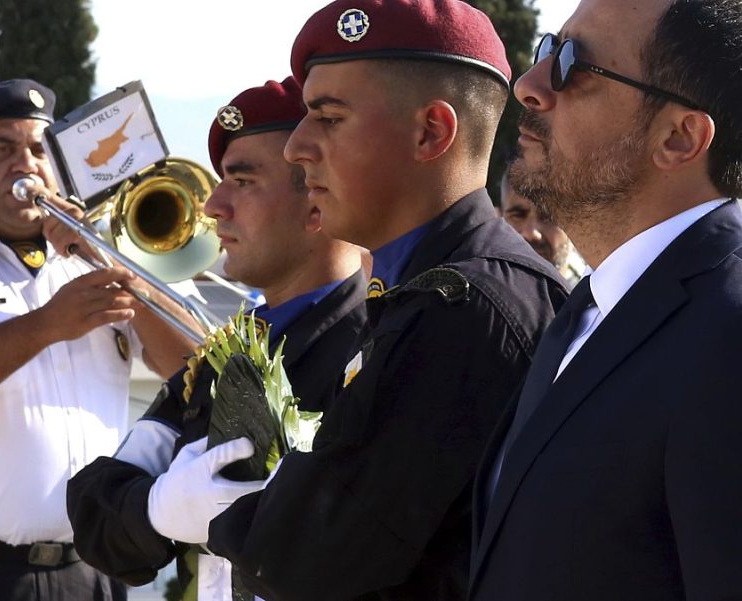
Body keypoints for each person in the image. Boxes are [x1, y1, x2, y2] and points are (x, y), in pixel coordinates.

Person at [469, 0, 742, 600]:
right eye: (548, 46)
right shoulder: (591, 310)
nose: (529, 84)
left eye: (573, 63)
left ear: (680, 138)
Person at [199, 2, 569, 599]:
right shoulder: (434, 291)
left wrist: (237, 519)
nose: (297, 147)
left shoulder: (464, 308)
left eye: (329, 117)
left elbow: (302, 560)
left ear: (431, 133)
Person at [0, 79, 197, 601]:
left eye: (39, 150)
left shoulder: (93, 265)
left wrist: (115, 265)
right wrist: (47, 324)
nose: (26, 164)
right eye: (2, 149)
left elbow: (193, 365)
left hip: (90, 565)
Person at [65, 77, 367, 599]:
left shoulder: (380, 345)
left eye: (243, 182)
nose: (213, 207)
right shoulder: (223, 355)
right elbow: (97, 515)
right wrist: (156, 509)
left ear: (317, 200)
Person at [499, 162, 586, 284]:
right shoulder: (474, 294)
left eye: (548, 216)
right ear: (498, 217)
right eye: (518, 215)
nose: (531, 233)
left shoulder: (602, 298)